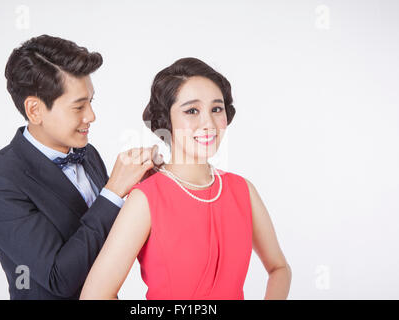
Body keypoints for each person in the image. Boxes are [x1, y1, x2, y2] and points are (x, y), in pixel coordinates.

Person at [80, 57, 292, 300]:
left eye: (216, 109)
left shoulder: (242, 190)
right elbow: (95, 295)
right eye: (192, 111)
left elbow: (279, 268)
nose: (208, 123)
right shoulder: (146, 198)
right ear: (166, 120)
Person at [0, 35, 159, 300]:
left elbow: (108, 237)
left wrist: (143, 187)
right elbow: (58, 278)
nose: (91, 116)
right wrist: (113, 191)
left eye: (91, 102)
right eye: (78, 106)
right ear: (35, 110)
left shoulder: (87, 153)